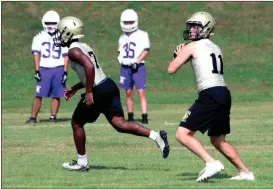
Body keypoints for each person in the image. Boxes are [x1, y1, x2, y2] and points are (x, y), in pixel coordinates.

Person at [53, 16, 170, 171]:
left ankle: (82, 162)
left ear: (69, 33)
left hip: (98, 90)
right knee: (120, 124)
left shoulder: (73, 51)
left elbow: (89, 68)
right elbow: (92, 72)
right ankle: (156, 136)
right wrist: (76, 88)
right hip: (108, 85)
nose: (59, 35)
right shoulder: (83, 46)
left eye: (61, 32)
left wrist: (88, 92)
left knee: (76, 123)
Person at [168, 12, 254, 182]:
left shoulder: (191, 46)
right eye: (191, 26)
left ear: (206, 28)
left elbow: (171, 69)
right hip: (223, 93)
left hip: (210, 93)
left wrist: (179, 54)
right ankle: (245, 172)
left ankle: (211, 162)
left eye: (196, 26)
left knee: (182, 134)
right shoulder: (216, 47)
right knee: (217, 139)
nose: (192, 29)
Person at [26, 10, 68, 123]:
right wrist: (37, 70)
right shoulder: (39, 37)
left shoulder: (63, 36)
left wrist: (65, 72)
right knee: (39, 94)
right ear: (44, 22)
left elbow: (65, 56)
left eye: (53, 23)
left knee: (56, 94)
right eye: (48, 22)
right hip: (44, 68)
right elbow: (36, 54)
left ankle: (53, 117)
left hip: (58, 67)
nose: (50, 25)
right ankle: (33, 117)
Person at [117, 9, 150, 124]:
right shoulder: (122, 37)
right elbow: (119, 52)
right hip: (125, 67)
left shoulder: (142, 34)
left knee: (141, 92)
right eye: (126, 22)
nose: (128, 25)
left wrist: (137, 62)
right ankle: (130, 116)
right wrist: (120, 60)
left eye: (130, 22)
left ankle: (144, 116)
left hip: (138, 67)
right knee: (128, 93)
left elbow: (146, 50)